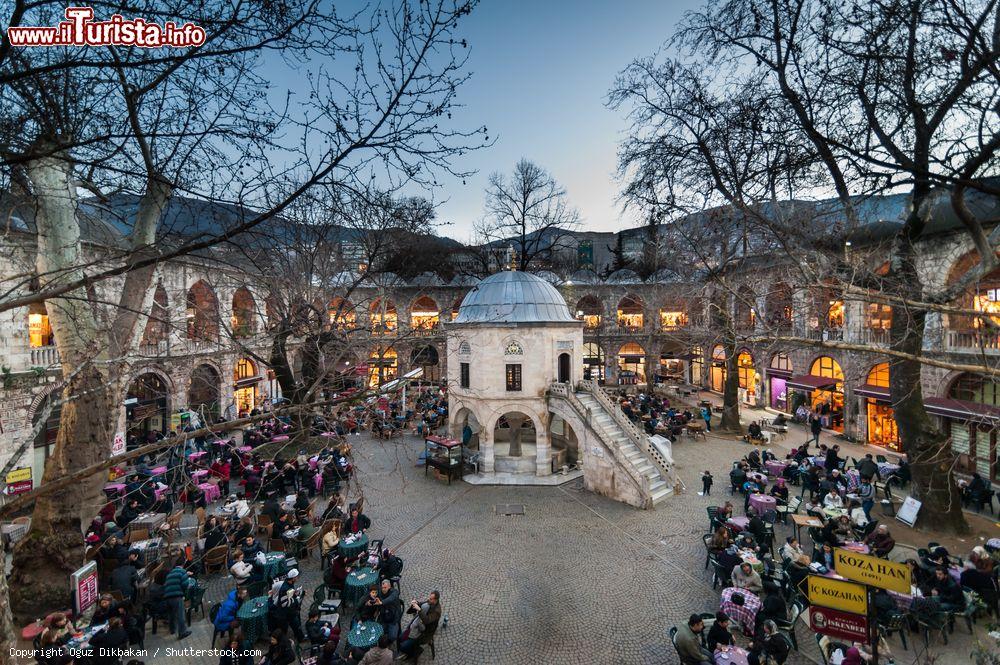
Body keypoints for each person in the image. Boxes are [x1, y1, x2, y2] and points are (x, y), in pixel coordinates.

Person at [398, 591, 442, 661]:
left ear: (435, 600)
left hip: (425, 632)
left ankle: (416, 651)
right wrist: (416, 603)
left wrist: (419, 610)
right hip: (417, 627)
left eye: (431, 599)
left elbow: (427, 620)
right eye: (429, 598)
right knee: (400, 638)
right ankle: (410, 649)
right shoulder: (430, 601)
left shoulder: (437, 611)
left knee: (403, 647)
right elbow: (423, 604)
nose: (429, 599)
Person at [162, 560, 193, 639]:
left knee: (171, 615)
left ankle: (172, 629)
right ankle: (182, 632)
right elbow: (185, 584)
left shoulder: (170, 573)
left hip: (167, 596)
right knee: (180, 614)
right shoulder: (182, 572)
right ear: (183, 564)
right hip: (176, 596)